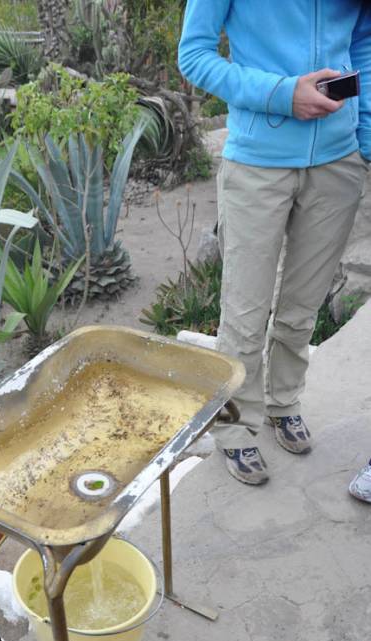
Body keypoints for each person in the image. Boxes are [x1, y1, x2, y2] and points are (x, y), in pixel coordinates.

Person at [178, 1, 371, 485]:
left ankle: (284, 402)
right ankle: (235, 429)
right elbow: (195, 54)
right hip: (258, 162)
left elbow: (363, 45)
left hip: (338, 162)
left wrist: (365, 140)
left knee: (303, 304)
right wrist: (283, 95)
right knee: (244, 311)